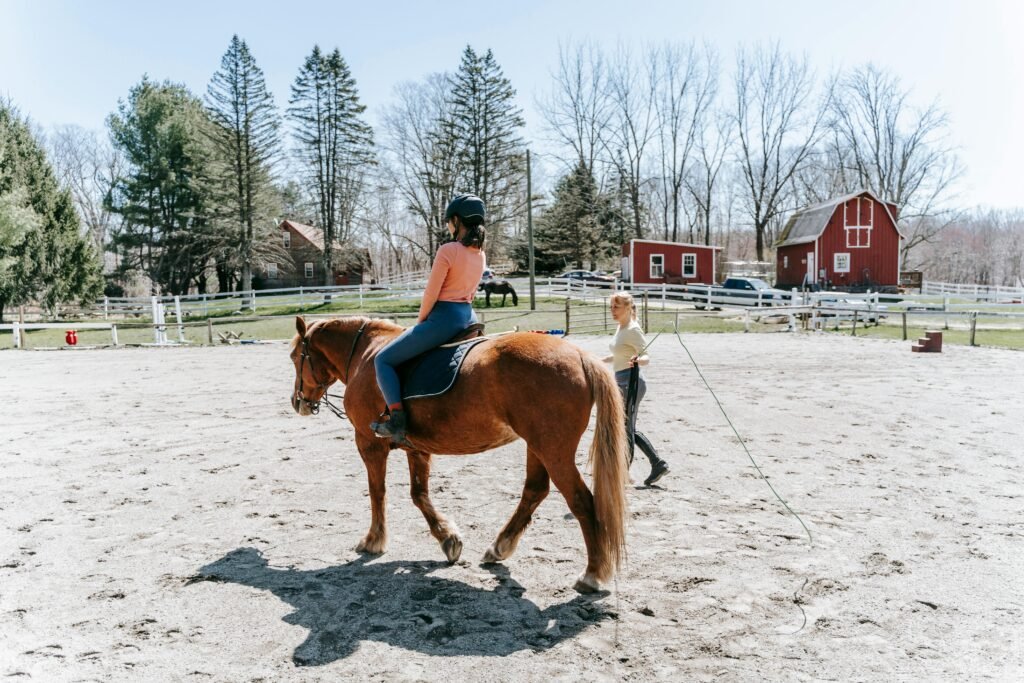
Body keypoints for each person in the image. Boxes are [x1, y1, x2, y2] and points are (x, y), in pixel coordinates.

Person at [371, 194, 487, 443]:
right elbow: (472, 291)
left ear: (457, 221)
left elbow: (431, 293)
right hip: (469, 316)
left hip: (445, 318)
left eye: (449, 222)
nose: (448, 226)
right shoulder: (480, 254)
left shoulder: (448, 250)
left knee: (383, 360)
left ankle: (398, 421)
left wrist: (422, 321)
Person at [603, 292, 670, 486]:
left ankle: (625, 473)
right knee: (626, 427)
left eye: (616, 307)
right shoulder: (621, 328)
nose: (612, 311)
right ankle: (657, 463)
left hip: (632, 382)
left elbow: (646, 357)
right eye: (611, 307)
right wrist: (598, 361)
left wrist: (638, 360)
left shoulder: (633, 329)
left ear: (628, 308)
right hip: (619, 380)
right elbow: (618, 355)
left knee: (625, 428)